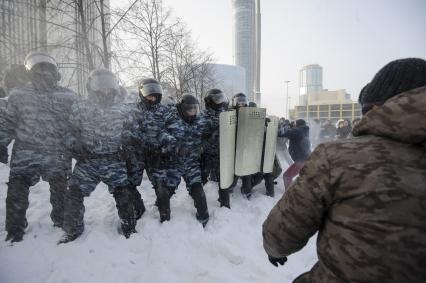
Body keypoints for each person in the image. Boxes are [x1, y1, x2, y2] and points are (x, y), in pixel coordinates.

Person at [263, 58, 426, 282]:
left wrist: (274, 248)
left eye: (366, 110)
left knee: (289, 175)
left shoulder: (336, 157)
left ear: (377, 108)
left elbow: (281, 232)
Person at [0, 52, 78, 242]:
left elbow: (78, 122)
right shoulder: (18, 95)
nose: (44, 74)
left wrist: (81, 144)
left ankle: (61, 221)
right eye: (39, 70)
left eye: (48, 70)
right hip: (27, 154)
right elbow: (8, 122)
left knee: (61, 192)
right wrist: (1, 142)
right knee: (16, 193)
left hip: (56, 154)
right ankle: (15, 229)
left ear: (54, 72)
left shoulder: (67, 96)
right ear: (31, 72)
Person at [60, 69, 141, 243]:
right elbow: (68, 132)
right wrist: (75, 146)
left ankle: (129, 226)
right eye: (100, 85)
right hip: (88, 161)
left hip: (114, 160)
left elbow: (133, 130)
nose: (104, 89)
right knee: (74, 194)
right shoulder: (80, 107)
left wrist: (128, 144)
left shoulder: (123, 109)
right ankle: (72, 230)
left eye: (108, 85)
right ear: (91, 87)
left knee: (124, 194)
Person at [124, 78, 176, 223]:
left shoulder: (164, 111)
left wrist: (164, 149)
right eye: (148, 94)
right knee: (128, 184)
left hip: (157, 155)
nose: (152, 98)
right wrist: (133, 146)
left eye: (155, 95)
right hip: (138, 155)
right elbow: (127, 131)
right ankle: (138, 208)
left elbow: (173, 132)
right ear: (142, 94)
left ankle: (165, 216)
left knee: (161, 186)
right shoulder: (133, 110)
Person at [165, 95, 210, 226]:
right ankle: (162, 219)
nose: (193, 112)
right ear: (183, 110)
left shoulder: (199, 121)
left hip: (192, 164)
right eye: (190, 110)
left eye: (195, 109)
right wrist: (176, 148)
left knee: (198, 191)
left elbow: (206, 137)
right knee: (166, 192)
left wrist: (202, 146)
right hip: (175, 164)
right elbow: (161, 138)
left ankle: (204, 219)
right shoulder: (172, 121)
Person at [200, 88, 231, 208]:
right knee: (202, 178)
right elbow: (200, 136)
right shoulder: (203, 116)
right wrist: (213, 135)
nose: (220, 102)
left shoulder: (224, 114)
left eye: (221, 99)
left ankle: (225, 203)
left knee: (223, 179)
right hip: (207, 154)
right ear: (209, 101)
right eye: (217, 100)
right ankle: (197, 197)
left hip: (221, 153)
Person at [279, 119, 311, 190]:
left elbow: (282, 133)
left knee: (287, 176)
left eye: (295, 124)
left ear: (298, 124)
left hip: (301, 160)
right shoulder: (303, 130)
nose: (294, 125)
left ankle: (290, 194)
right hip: (305, 159)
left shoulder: (297, 131)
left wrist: (282, 127)